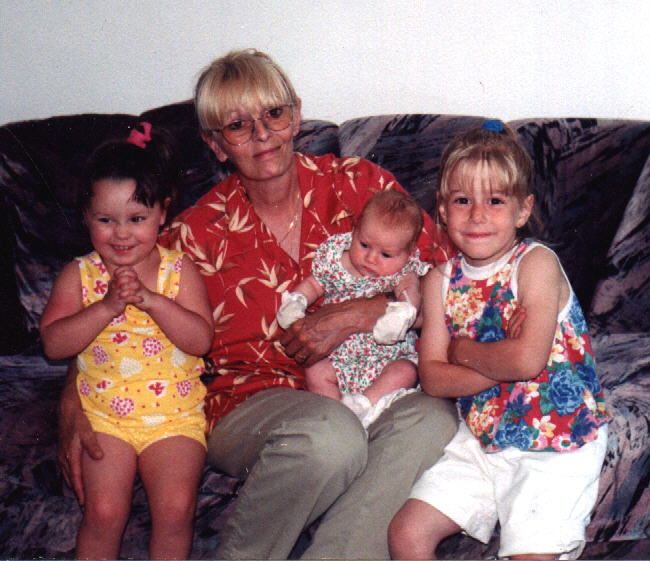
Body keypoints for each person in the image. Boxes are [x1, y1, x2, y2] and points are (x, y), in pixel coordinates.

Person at [57, 49, 459, 560]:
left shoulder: (361, 186)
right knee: (328, 434)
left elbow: (449, 283)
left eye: (273, 114)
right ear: (215, 144)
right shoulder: (193, 235)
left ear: (296, 115)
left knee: (431, 419)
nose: (262, 134)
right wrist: (72, 401)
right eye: (237, 125)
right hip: (249, 404)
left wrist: (364, 311)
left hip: (368, 387)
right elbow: (114, 316)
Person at [388, 120, 611, 560]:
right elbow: (433, 378)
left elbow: (526, 362)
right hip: (482, 438)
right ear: (442, 210)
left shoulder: (536, 264)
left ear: (522, 210)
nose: (477, 215)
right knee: (406, 534)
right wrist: (497, 360)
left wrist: (462, 351)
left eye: (495, 200)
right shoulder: (440, 281)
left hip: (555, 439)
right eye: (462, 200)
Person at [41, 123, 214, 560]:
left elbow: (201, 340)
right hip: (104, 417)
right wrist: (105, 308)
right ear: (86, 217)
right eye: (106, 220)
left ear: (163, 213)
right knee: (103, 511)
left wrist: (154, 302)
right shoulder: (79, 275)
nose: (121, 234)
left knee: (175, 509)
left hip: (174, 416)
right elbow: (54, 345)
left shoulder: (180, 271)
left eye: (136, 219)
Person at [277, 190, 429, 427]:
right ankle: (333, 416)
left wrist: (401, 314)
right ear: (354, 230)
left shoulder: (404, 272)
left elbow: (411, 295)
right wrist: (296, 301)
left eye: (386, 254)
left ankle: (363, 405)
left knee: (406, 371)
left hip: (386, 358)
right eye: (364, 244)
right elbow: (314, 284)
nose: (371, 258)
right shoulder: (336, 259)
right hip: (337, 355)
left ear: (408, 253)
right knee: (316, 370)